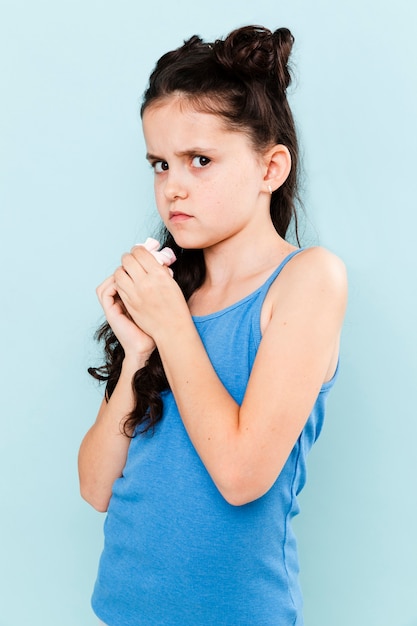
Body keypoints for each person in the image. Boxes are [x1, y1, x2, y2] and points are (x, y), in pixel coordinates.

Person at [78, 24, 347, 626]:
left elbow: (242, 476)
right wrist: (137, 352)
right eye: (159, 163)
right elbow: (95, 487)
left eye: (200, 161)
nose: (172, 187)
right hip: (120, 610)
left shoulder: (309, 280)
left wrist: (171, 327)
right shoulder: (170, 298)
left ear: (270, 167)